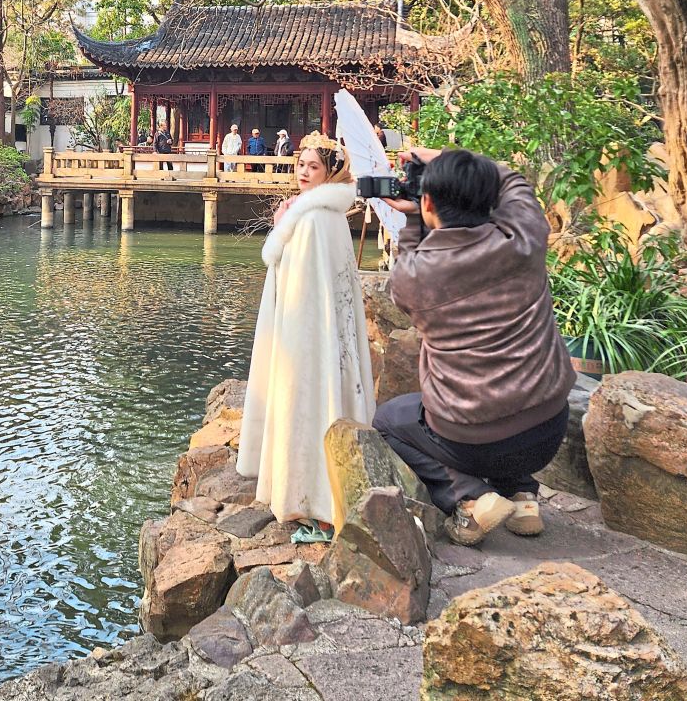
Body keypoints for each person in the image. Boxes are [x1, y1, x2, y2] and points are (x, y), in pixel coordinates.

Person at [374, 147, 575, 547]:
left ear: (427, 202)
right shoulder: (525, 238)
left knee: (388, 421)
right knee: (508, 401)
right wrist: (456, 156)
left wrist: (414, 219)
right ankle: (522, 498)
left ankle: (470, 497)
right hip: (549, 428)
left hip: (468, 443)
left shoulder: (412, 278)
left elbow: (412, 265)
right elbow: (513, 180)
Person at [237, 132, 374, 543]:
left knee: (308, 400)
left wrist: (281, 230)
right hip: (317, 330)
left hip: (306, 333)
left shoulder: (312, 218)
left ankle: (310, 494)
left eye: (313, 167)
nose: (303, 173)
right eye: (300, 165)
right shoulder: (324, 214)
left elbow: (296, 277)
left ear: (330, 171)